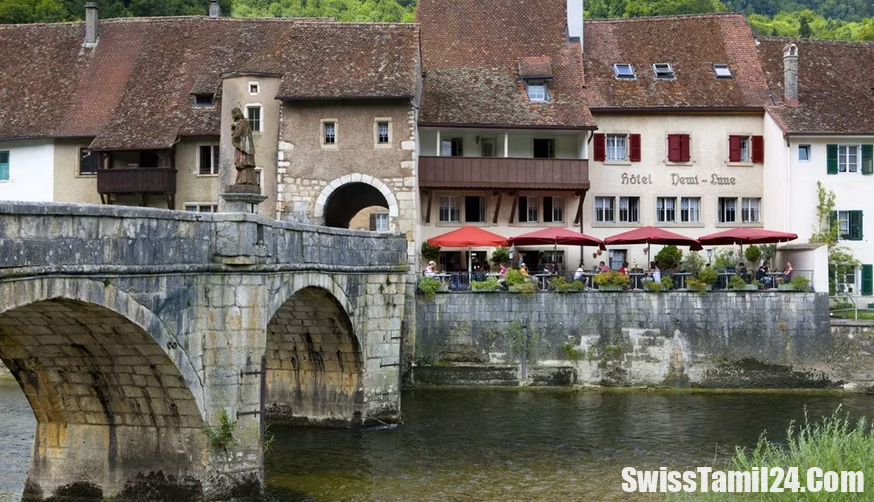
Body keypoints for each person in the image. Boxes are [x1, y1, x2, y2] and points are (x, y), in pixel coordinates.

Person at [231, 107, 258, 185]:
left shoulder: (241, 123)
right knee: (247, 164)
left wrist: (234, 130)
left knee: (242, 162)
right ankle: (249, 180)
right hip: (247, 148)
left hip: (243, 148)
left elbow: (237, 135)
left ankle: (243, 180)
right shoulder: (246, 123)